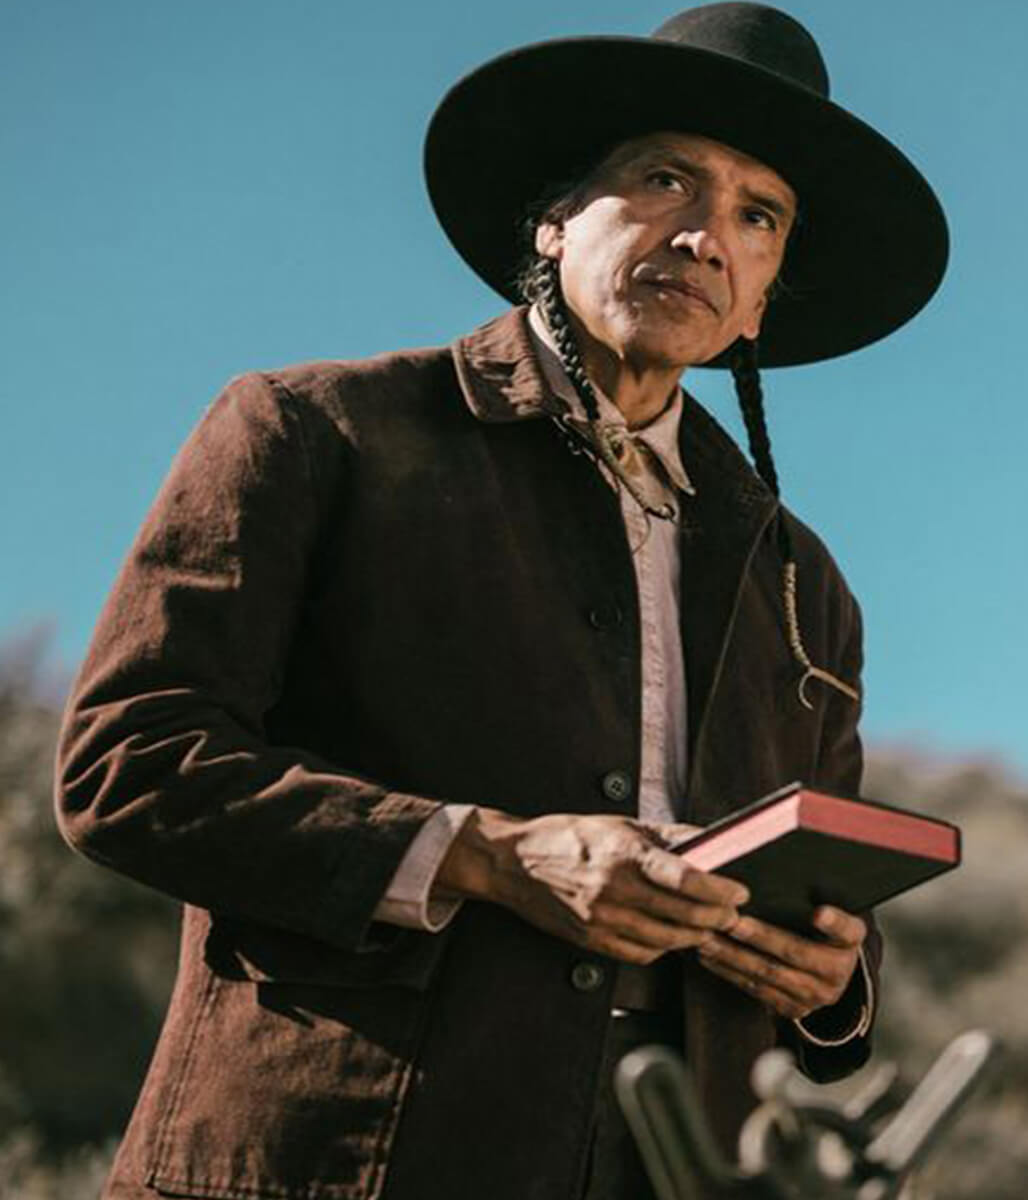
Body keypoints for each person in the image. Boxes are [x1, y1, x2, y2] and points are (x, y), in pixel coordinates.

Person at [54, 5, 948, 1199]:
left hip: (677, 1163)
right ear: (553, 217)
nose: (701, 236)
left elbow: (832, 927)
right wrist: (484, 854)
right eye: (663, 180)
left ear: (759, 303)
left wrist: (829, 979)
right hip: (340, 1155)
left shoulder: (804, 584)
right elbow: (127, 765)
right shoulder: (317, 432)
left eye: (755, 216)